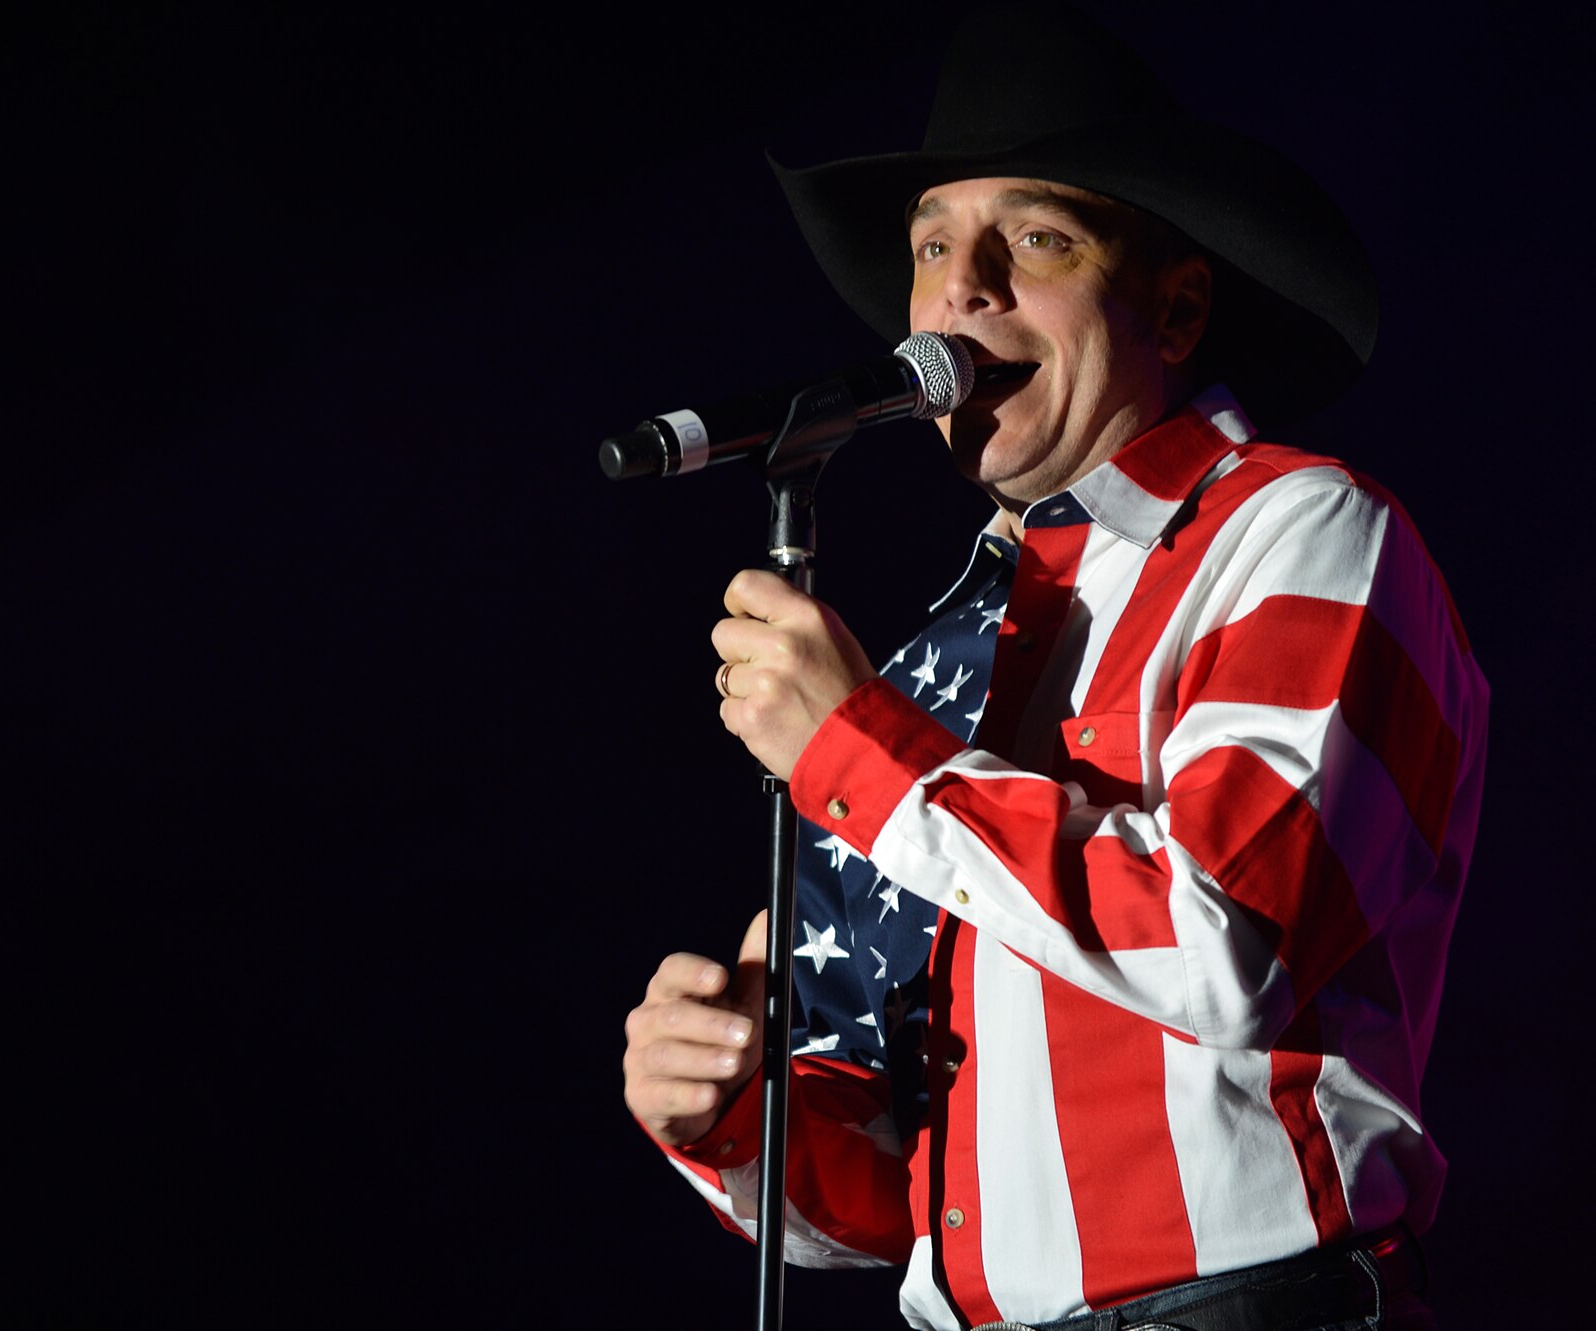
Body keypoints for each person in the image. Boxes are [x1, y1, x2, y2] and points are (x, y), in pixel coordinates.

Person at [619, 5, 1487, 1330]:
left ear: (1177, 307)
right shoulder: (925, 670)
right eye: (929, 246)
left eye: (1034, 239)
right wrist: (734, 1105)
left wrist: (858, 751)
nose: (963, 288)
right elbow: (898, 1189)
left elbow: (1228, 947)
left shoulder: (1297, 531)